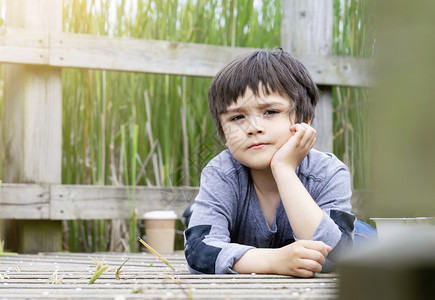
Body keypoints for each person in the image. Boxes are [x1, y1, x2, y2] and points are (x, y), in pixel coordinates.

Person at [183, 48, 376, 277]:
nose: (253, 128)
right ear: (224, 136)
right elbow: (198, 251)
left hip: (359, 240)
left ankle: (198, 213)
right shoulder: (221, 173)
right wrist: (274, 261)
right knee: (202, 231)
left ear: (304, 120)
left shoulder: (328, 172)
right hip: (261, 248)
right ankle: (202, 214)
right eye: (237, 117)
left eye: (270, 112)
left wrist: (283, 169)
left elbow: (336, 255)